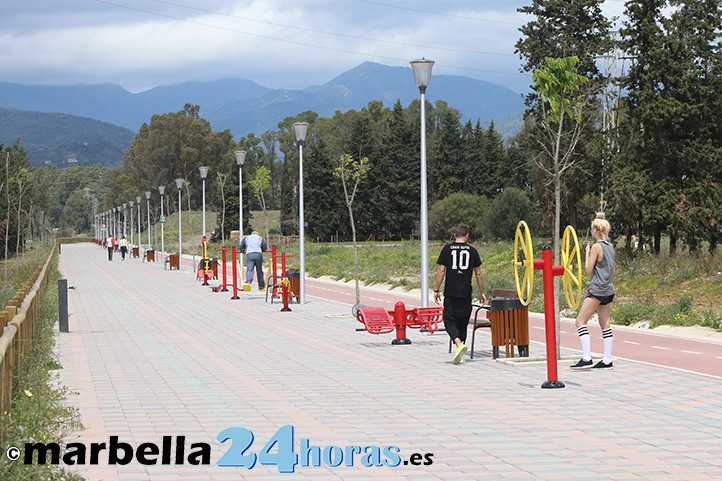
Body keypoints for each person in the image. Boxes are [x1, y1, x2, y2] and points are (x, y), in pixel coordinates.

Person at [433, 224, 487, 365]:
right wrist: (482, 292)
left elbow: (441, 271)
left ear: (454, 235)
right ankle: (460, 353)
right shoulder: (473, 251)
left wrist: (436, 289)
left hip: (451, 292)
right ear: (467, 236)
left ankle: (458, 344)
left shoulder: (447, 249)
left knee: (449, 320)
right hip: (465, 293)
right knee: (463, 323)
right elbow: (479, 273)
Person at [570, 212, 616, 370]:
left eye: (591, 229)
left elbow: (588, 269)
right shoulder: (610, 247)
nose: (591, 232)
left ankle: (587, 357)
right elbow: (612, 271)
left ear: (596, 230)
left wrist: (587, 253)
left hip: (598, 290)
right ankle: (607, 359)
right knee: (605, 324)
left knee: (580, 321)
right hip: (608, 289)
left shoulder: (596, 246)